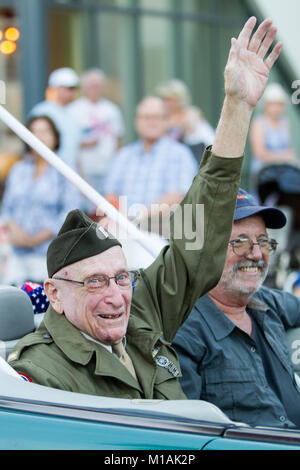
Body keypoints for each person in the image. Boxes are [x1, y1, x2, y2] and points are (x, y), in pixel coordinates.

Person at [8, 17, 282, 399]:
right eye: (95, 281)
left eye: (122, 278)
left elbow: (197, 234)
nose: (116, 295)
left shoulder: (140, 311)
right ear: (53, 293)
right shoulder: (41, 373)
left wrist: (236, 106)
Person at [173, 188, 300, 428]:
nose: (256, 254)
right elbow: (184, 435)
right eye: (240, 242)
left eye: (263, 241)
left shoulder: (268, 303)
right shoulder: (184, 331)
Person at [0, 116, 83, 285]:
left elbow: (71, 211)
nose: (40, 136)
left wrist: (37, 238)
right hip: (17, 253)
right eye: (34, 132)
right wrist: (14, 230)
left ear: (55, 136)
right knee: (14, 300)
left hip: (49, 253)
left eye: (45, 131)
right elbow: (7, 208)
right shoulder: (18, 169)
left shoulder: (65, 170)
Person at [101, 95, 198, 223]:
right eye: (146, 117)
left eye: (156, 117)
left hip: (163, 232)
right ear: (136, 121)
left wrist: (135, 219)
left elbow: (178, 196)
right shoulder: (123, 155)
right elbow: (110, 193)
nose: (151, 122)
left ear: (167, 121)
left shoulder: (180, 154)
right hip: (123, 230)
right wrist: (120, 220)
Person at [68, 68, 125, 196]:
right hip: (85, 169)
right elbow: (70, 143)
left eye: (98, 86)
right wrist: (85, 144)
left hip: (108, 168)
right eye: (92, 86)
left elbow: (118, 139)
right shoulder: (74, 110)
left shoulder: (111, 109)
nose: (95, 89)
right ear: (84, 88)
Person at [29, 67, 81, 169]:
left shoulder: (74, 112)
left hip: (71, 172)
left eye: (73, 89)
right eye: (68, 88)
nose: (71, 93)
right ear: (56, 88)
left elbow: (76, 149)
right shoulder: (41, 111)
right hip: (49, 172)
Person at [155, 79, 215, 162]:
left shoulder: (191, 114)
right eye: (163, 99)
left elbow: (208, 140)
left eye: (170, 99)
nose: (166, 102)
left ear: (179, 100)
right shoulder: (159, 117)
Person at [250, 82, 297, 184]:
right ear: (265, 105)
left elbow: (289, 150)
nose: (276, 108)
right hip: (264, 174)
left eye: (279, 104)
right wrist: (283, 157)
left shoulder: (285, 122)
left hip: (283, 173)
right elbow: (259, 153)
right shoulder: (258, 123)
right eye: (273, 104)